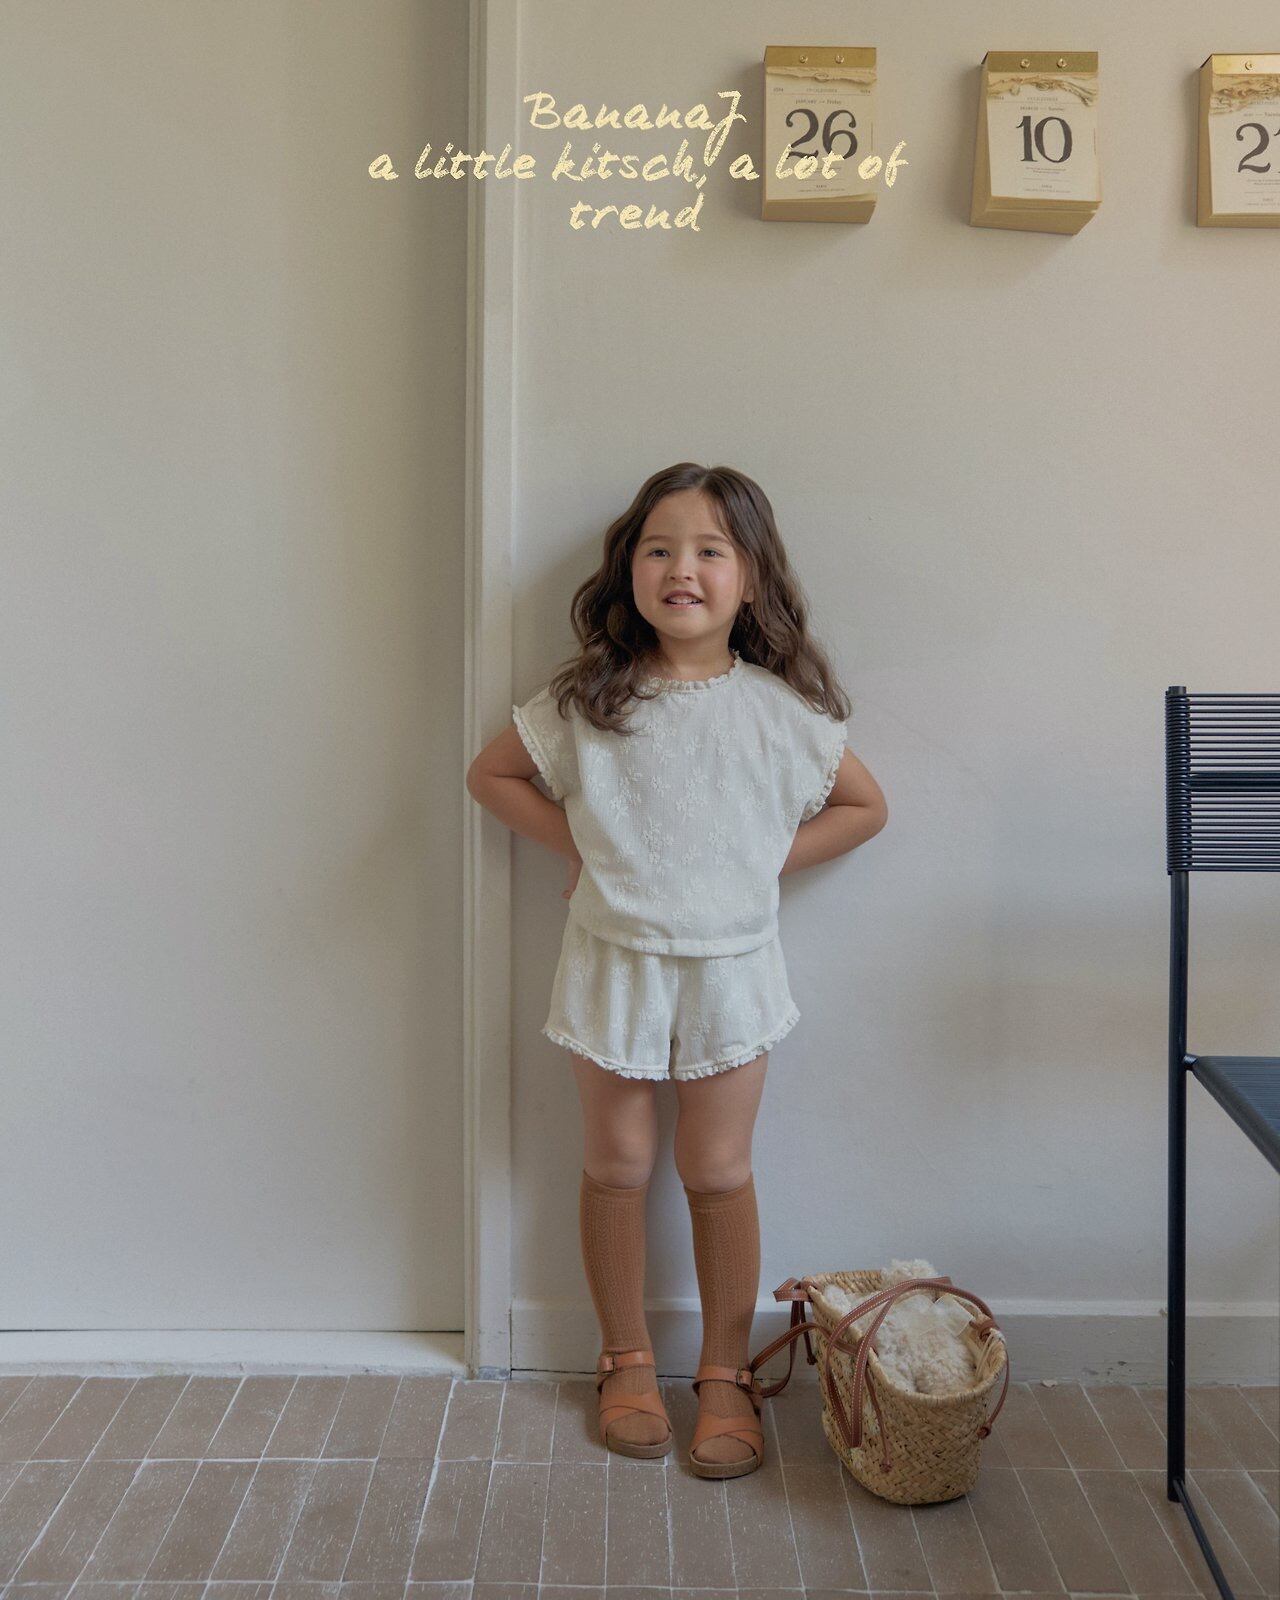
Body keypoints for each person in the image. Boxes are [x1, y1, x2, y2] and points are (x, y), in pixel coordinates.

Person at [466, 461, 888, 1479]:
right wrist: (580, 848)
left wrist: (755, 865)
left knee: (717, 1168)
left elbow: (864, 807)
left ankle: (723, 1372)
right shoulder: (589, 699)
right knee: (615, 1160)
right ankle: (623, 1359)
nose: (681, 569)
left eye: (709, 551)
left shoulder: (779, 711)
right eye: (659, 548)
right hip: (611, 963)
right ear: (630, 569)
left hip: (730, 972)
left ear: (751, 577)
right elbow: (491, 775)